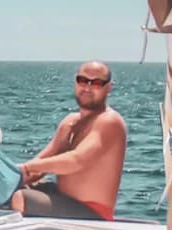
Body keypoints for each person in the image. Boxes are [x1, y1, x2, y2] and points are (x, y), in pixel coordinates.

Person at [10, 61, 127, 221]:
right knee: (7, 191)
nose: (87, 87)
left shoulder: (109, 121)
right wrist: (12, 176)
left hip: (92, 211)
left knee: (21, 198)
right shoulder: (70, 122)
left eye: (97, 83)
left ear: (108, 88)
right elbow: (42, 162)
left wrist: (27, 167)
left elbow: (76, 161)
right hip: (63, 198)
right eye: (82, 80)